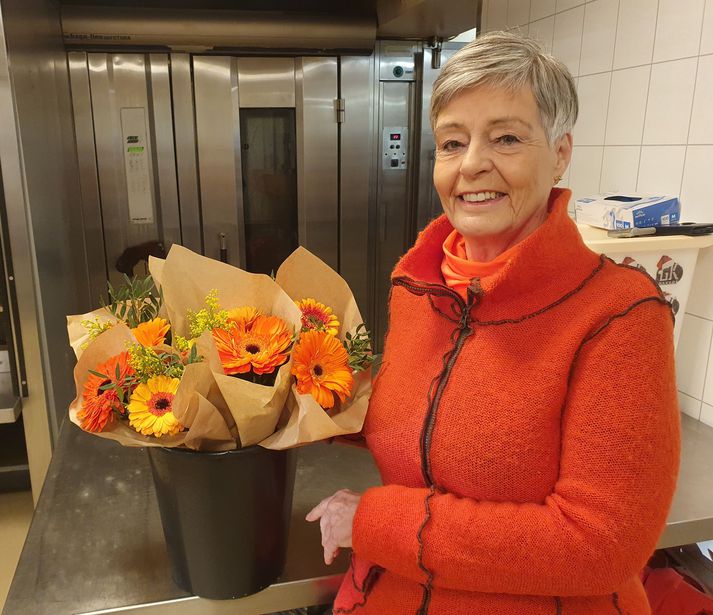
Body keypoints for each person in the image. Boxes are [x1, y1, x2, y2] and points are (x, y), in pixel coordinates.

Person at [307, 31, 680, 615]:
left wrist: (374, 520)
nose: (473, 163)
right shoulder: (420, 288)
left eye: (506, 138)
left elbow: (599, 546)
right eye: (452, 143)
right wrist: (305, 399)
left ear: (559, 152)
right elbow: (429, 421)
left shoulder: (617, 314)